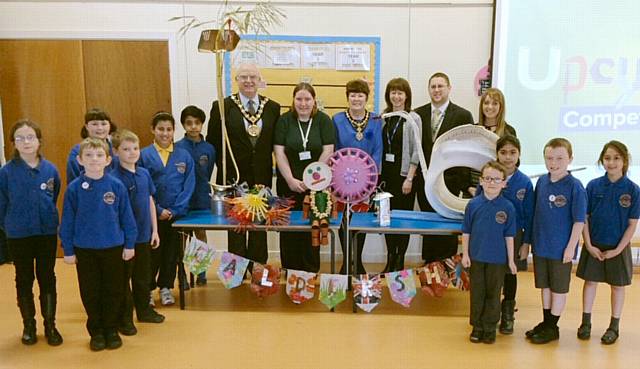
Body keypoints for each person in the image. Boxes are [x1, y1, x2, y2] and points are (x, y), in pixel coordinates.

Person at [60, 138, 138, 351]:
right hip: (85, 250)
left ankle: (111, 329)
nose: (94, 160)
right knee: (90, 291)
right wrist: (67, 249)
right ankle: (96, 331)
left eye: (99, 156)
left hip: (113, 247)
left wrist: (129, 244)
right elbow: (67, 220)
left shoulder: (116, 186)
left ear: (108, 160)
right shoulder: (74, 189)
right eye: (89, 156)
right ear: (79, 160)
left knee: (113, 290)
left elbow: (127, 218)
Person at [206, 63, 280, 265]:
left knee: (258, 227)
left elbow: (275, 144)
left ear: (259, 81)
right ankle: (236, 271)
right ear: (236, 80)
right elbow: (213, 141)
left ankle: (257, 270)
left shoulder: (272, 107)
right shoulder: (222, 106)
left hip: (261, 177)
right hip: (233, 177)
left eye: (253, 77)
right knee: (237, 228)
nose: (248, 81)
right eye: (243, 77)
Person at [0, 119, 63, 346]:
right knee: (24, 278)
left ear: (39, 141)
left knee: (47, 277)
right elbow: (2, 204)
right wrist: (10, 226)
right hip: (18, 234)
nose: (26, 142)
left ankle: (50, 325)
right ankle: (29, 324)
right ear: (13, 143)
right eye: (20, 138)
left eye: (30, 137)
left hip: (45, 232)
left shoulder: (50, 169)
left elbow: (53, 196)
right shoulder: (6, 172)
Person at [524, 138, 587, 344]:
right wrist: (531, 241)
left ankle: (553, 326)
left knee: (559, 287)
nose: (554, 162)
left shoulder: (575, 187)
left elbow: (579, 221)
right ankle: (546, 322)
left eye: (560, 158)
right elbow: (535, 213)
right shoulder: (541, 182)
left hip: (561, 249)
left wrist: (571, 247)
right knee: (545, 286)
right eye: (549, 158)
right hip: (542, 245)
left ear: (570, 159)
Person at [576, 141, 639, 345]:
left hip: (617, 247)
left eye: (616, 158)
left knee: (617, 287)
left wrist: (618, 250)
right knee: (590, 282)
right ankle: (586, 323)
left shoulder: (633, 190)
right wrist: (589, 244)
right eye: (607, 158)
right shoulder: (593, 186)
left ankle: (614, 326)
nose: (611, 162)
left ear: (624, 160)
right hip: (594, 245)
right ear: (602, 160)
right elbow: (584, 217)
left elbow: (632, 224)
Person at [475, 135, 534, 334]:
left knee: (510, 274)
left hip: (514, 236)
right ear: (497, 154)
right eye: (503, 152)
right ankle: (485, 316)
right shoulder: (488, 176)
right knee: (488, 276)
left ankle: (508, 314)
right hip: (489, 235)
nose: (508, 157)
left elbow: (530, 214)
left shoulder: (524, 182)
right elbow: (477, 205)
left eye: (512, 152)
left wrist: (526, 242)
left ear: (519, 155)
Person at [274, 82, 335, 272]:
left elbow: (328, 150)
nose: (303, 103)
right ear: (293, 100)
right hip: (288, 184)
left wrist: (311, 181)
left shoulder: (323, 120)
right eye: (299, 99)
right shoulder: (284, 121)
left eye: (307, 99)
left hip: (316, 185)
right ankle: (290, 269)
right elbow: (279, 152)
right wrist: (291, 180)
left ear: (314, 100)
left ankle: (310, 270)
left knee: (312, 225)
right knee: (289, 228)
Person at [414, 72, 473, 264]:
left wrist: (464, 184)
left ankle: (446, 264)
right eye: (433, 86)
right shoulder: (418, 114)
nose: (437, 90)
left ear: (449, 88)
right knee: (428, 222)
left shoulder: (463, 115)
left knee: (446, 222)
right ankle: (429, 265)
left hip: (450, 181)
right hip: (425, 180)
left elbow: (466, 151)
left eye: (441, 86)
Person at [111, 129, 165, 335]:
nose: (132, 152)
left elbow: (150, 201)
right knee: (124, 279)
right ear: (116, 152)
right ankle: (125, 318)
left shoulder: (143, 174)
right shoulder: (114, 179)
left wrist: (155, 230)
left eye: (135, 148)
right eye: (126, 149)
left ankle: (144, 311)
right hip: (125, 239)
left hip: (144, 234)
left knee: (143, 276)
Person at [139, 112, 195, 306]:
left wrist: (175, 210)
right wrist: (159, 209)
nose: (165, 133)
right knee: (151, 253)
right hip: (151, 215)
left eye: (169, 129)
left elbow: (189, 185)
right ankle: (147, 289)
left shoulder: (183, 156)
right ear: (152, 130)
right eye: (160, 129)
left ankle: (166, 287)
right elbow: (142, 187)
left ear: (173, 131)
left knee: (171, 253)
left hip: (175, 216)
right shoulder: (144, 155)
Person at [462, 160, 517, 344]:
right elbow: (466, 231)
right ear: (481, 181)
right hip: (476, 257)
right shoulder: (473, 205)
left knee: (494, 293)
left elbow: (509, 236)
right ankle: (477, 326)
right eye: (488, 178)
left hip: (498, 260)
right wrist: (465, 254)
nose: (491, 183)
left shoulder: (508, 207)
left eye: (496, 179)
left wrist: (511, 260)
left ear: (503, 183)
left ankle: (490, 327)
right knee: (477, 292)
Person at [332, 79, 383, 274]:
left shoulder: (376, 120)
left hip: (366, 182)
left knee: (360, 221)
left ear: (366, 98)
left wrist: (373, 176)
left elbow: (378, 148)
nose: (356, 99)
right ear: (347, 97)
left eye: (360, 95)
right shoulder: (336, 119)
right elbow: (334, 148)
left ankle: (358, 261)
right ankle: (346, 262)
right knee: (343, 220)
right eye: (352, 95)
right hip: (341, 180)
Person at [380, 78, 421, 272]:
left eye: (400, 93)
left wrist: (410, 177)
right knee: (387, 218)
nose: (396, 96)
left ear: (407, 96)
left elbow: (416, 151)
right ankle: (390, 259)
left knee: (402, 219)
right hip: (386, 177)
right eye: (393, 92)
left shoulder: (413, 118)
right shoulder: (384, 117)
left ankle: (400, 260)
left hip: (404, 176)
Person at [175, 105, 216, 285]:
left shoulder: (209, 148)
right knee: (182, 237)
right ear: (183, 125)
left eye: (197, 123)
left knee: (200, 234)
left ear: (202, 124)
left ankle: (200, 271)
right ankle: (181, 273)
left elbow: (209, 171)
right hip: (182, 200)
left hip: (201, 198)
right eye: (189, 123)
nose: (193, 127)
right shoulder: (177, 148)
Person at [468, 88, 517, 197]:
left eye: (495, 103)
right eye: (486, 103)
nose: (490, 107)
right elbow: (466, 159)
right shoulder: (473, 130)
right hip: (474, 188)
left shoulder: (509, 132)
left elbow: (512, 163)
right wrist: (468, 186)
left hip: (499, 189)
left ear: (501, 107)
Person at [66, 108, 119, 184]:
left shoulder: (117, 148)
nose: (100, 128)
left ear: (110, 126)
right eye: (94, 124)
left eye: (104, 124)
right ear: (87, 126)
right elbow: (73, 180)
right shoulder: (77, 151)